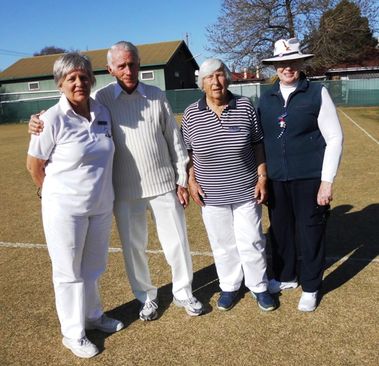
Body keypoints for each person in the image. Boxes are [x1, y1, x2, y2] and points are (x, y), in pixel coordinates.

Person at [30, 41, 203, 321]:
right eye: (121, 65)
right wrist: (36, 119)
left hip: (163, 185)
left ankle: (184, 292)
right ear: (110, 69)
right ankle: (146, 297)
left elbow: (175, 139)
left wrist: (181, 179)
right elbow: (68, 107)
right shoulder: (101, 99)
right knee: (134, 249)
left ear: (139, 64)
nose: (128, 70)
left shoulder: (157, 95)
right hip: (123, 192)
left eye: (132, 63)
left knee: (177, 243)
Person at [26, 53, 123, 359]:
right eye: (71, 78)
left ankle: (93, 316)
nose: (79, 83)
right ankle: (73, 332)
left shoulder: (102, 111)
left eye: (83, 77)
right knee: (68, 272)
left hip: (100, 206)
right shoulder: (50, 119)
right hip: (64, 210)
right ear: (60, 83)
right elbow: (34, 166)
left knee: (93, 267)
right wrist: (53, 195)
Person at [181, 58, 276, 312]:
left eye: (220, 75)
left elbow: (258, 144)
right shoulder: (191, 114)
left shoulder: (245, 106)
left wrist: (262, 177)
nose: (216, 82)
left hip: (246, 188)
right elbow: (188, 153)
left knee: (253, 240)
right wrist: (191, 180)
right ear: (202, 83)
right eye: (210, 77)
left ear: (228, 78)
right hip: (211, 193)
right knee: (222, 243)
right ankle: (230, 286)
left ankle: (259, 286)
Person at [258, 38, 343, 312]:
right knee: (280, 231)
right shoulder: (265, 98)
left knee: (311, 232)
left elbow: (334, 138)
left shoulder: (316, 93)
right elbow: (258, 139)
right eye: (282, 63)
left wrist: (326, 181)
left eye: (292, 62)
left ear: (300, 63)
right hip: (276, 179)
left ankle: (311, 286)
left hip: (309, 179)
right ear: (275, 67)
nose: (287, 68)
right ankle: (285, 276)